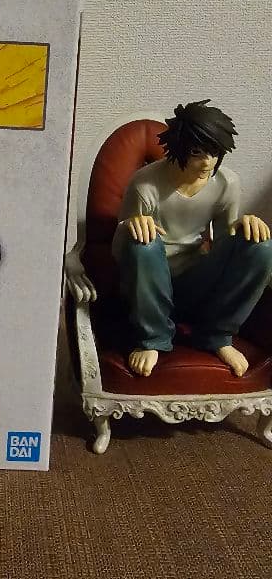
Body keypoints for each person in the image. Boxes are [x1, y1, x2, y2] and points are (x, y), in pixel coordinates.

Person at [112, 100, 272, 377]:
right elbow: (118, 252)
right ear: (179, 148)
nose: (207, 162)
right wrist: (130, 226)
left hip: (194, 282)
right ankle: (154, 338)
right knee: (143, 243)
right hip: (148, 283)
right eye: (197, 152)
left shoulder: (226, 183)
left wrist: (245, 227)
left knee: (261, 246)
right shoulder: (145, 184)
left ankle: (217, 335)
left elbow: (224, 243)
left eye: (214, 153)